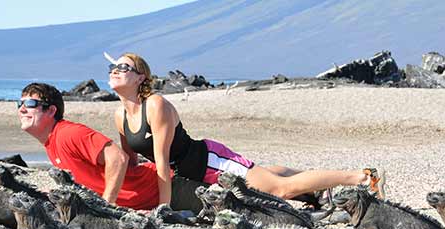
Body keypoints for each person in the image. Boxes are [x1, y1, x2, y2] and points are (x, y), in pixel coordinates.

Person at [108, 53, 386, 206]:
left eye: (124, 66)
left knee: (280, 191)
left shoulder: (155, 105)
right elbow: (128, 162)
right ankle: (293, 177)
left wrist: (163, 210)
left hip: (210, 162)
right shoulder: (119, 115)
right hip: (195, 173)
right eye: (113, 66)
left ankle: (363, 177)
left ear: (141, 77)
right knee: (267, 174)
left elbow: (160, 161)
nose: (116, 70)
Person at [17, 82, 162, 210]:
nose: (22, 109)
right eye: (20, 104)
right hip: (148, 199)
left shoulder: (68, 134)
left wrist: (106, 205)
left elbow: (118, 158)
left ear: (51, 111)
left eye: (30, 104)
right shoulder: (51, 143)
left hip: (165, 186)